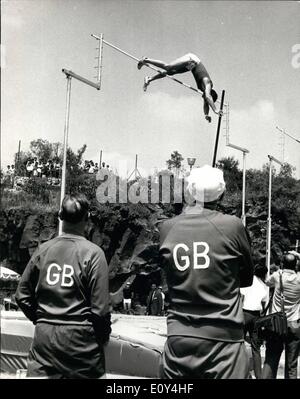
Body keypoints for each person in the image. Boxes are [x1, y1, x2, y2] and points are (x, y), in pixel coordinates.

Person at [158, 165, 254, 379]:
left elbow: (167, 276)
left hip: (179, 334)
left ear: (190, 192)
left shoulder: (167, 227)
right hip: (224, 339)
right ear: (222, 193)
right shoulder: (233, 225)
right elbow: (246, 279)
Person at [15, 193, 111, 379]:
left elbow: (22, 296)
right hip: (81, 340)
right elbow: (100, 310)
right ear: (87, 218)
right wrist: (102, 338)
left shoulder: (43, 250)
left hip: (45, 339)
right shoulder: (94, 254)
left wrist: (42, 320)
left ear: (60, 215)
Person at [137, 53, 222, 123]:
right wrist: (215, 110)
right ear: (210, 94)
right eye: (206, 99)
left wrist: (206, 115)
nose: (204, 100)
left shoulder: (205, 92)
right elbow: (207, 97)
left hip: (191, 66)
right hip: (192, 60)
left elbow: (206, 104)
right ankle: (145, 59)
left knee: (171, 72)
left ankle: (149, 79)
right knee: (169, 67)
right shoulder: (208, 84)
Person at [262, 252, 300, 379]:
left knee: (271, 359)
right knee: (292, 364)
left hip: (276, 324)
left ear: (282, 264)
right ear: (296, 265)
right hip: (294, 324)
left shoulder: (278, 276)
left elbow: (267, 282)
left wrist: (279, 269)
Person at [240, 264, 269, 379]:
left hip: (244, 313)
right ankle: (259, 376)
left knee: (239, 343)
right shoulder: (264, 286)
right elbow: (264, 304)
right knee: (256, 348)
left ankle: (243, 372)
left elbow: (241, 297)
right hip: (257, 317)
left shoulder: (247, 282)